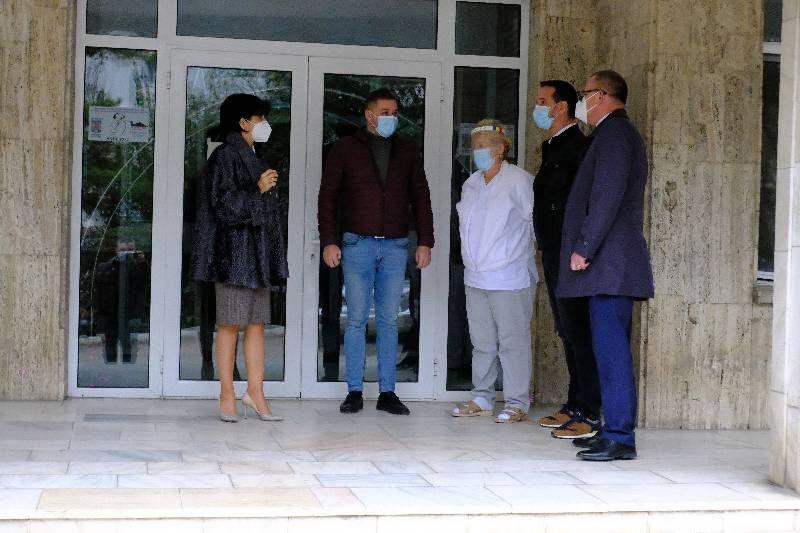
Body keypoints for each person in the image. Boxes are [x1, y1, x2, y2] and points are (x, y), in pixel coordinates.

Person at [318, 88, 435, 415]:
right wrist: (329, 240)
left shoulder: (408, 150)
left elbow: (421, 197)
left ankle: (388, 392)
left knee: (388, 321)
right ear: (369, 115)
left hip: (395, 245)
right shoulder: (345, 149)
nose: (391, 118)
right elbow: (327, 197)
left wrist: (425, 241)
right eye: (385, 113)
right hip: (357, 244)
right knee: (356, 319)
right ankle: (354, 390)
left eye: (394, 113)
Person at [558, 70, 654, 460]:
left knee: (612, 354)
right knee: (605, 351)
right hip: (608, 266)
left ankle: (620, 436)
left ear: (601, 96)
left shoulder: (615, 135)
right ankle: (612, 430)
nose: (582, 101)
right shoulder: (611, 134)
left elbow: (606, 196)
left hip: (609, 265)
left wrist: (584, 246)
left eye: (585, 94)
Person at [191, 93, 288, 423]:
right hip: (232, 255)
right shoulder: (224, 156)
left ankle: (256, 392)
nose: (265, 124)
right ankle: (227, 394)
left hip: (256, 255)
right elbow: (223, 207)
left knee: (257, 324)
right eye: (260, 118)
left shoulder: (256, 155)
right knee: (230, 324)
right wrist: (257, 189)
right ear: (244, 122)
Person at [450, 119, 536, 423]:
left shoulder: (519, 180)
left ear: (501, 149)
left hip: (510, 276)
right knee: (482, 343)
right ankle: (482, 397)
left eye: (485, 146)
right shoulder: (471, 184)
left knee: (513, 342)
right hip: (476, 276)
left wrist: (517, 255)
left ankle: (517, 402)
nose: (479, 152)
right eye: (475, 146)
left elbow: (534, 223)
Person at [532, 80, 601, 440]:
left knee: (579, 332)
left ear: (561, 107)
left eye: (542, 101)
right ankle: (574, 403)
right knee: (566, 331)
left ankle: (589, 410)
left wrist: (580, 250)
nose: (538, 108)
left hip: (571, 254)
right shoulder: (553, 146)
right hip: (554, 251)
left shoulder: (579, 147)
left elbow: (584, 205)